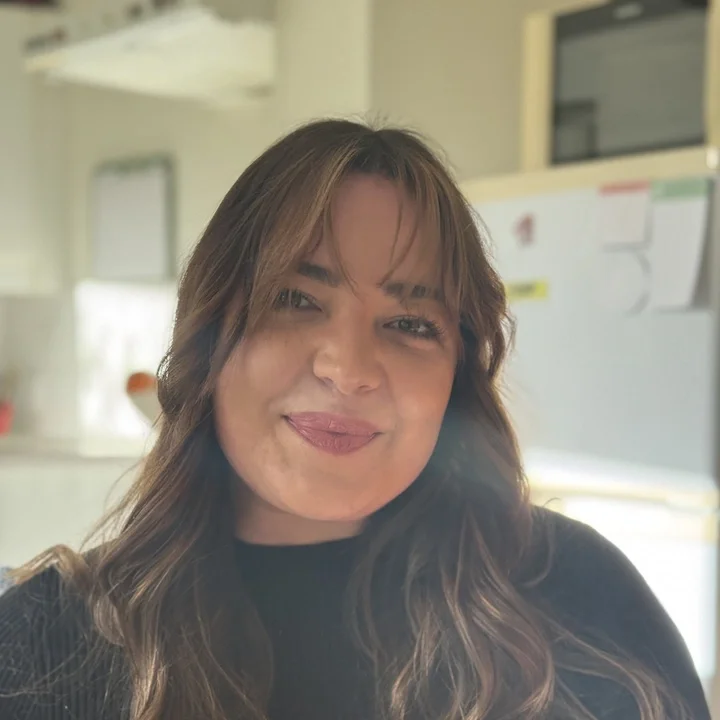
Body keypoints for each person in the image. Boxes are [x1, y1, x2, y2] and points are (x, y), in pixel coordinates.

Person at [0, 119, 710, 720]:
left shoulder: (581, 600)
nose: (349, 367)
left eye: (410, 322)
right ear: (208, 336)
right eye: (296, 301)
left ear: (457, 376)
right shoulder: (45, 645)